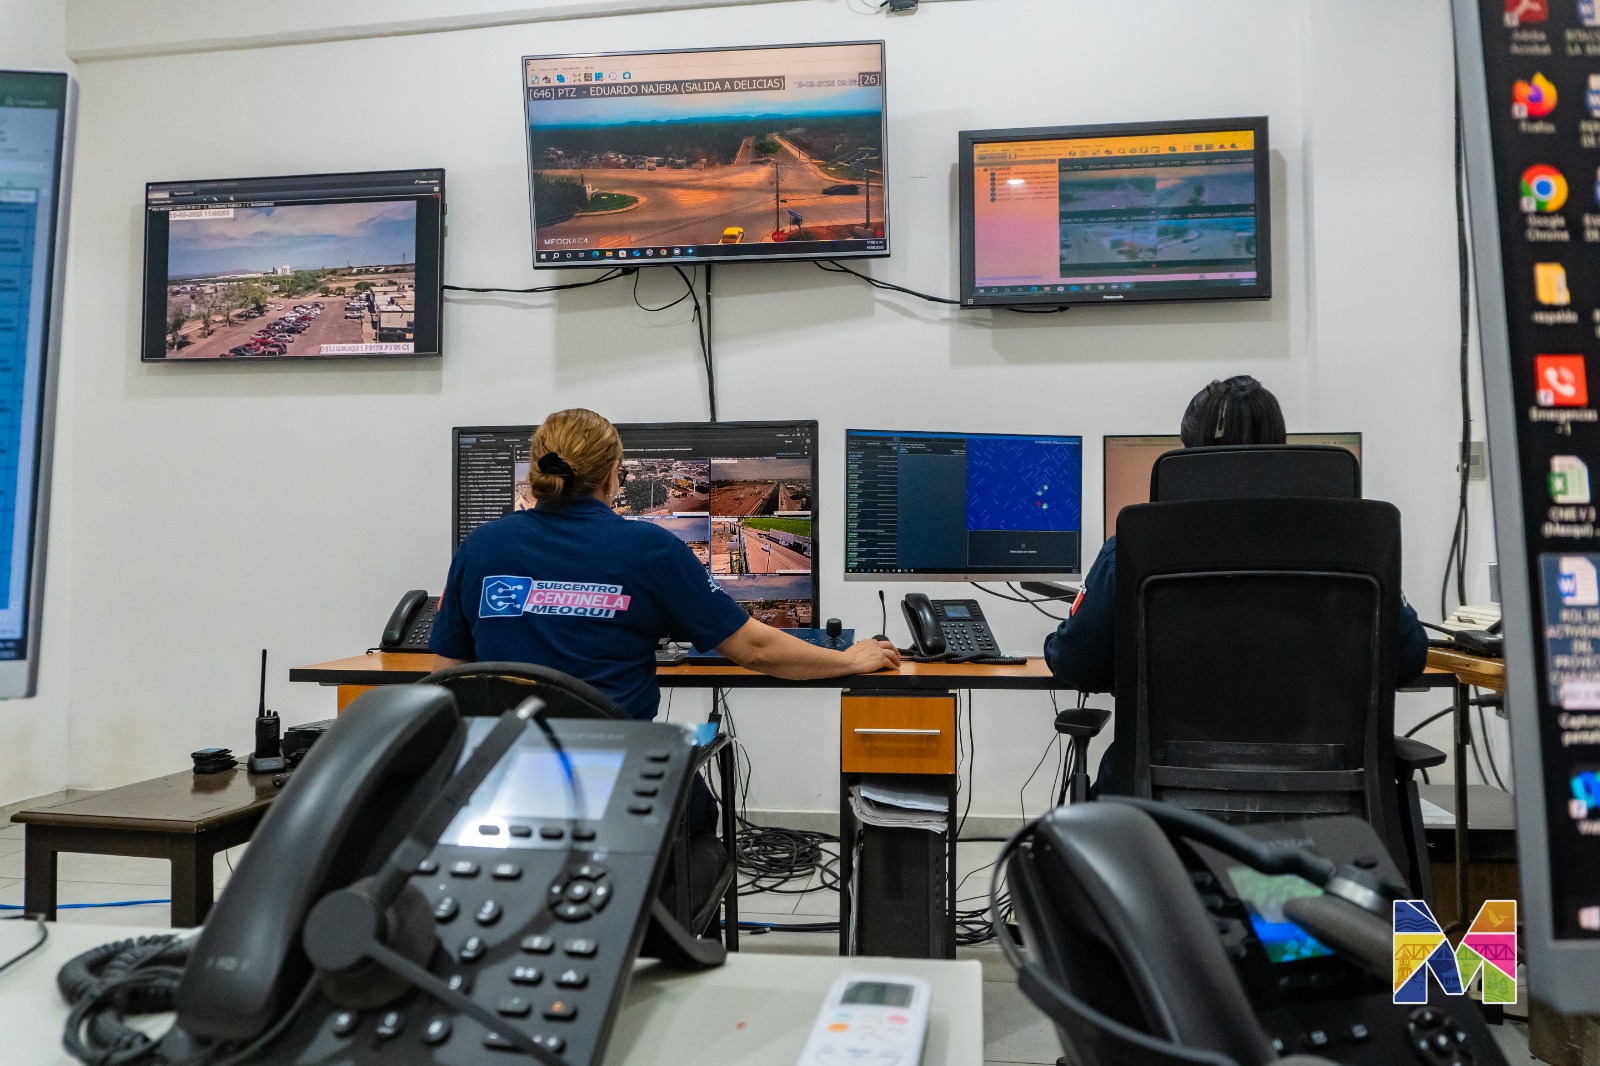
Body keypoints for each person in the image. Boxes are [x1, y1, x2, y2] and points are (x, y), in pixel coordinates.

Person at [1044, 376, 1428, 786]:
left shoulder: (1133, 549)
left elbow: (1076, 662)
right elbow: (1409, 659)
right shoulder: (1357, 548)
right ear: (1281, 448)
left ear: (1189, 455)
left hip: (1157, 805)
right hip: (1329, 801)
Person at [430, 408, 900, 716]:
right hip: (616, 776)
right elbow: (755, 648)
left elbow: (450, 674)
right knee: (698, 809)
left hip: (502, 776)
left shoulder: (481, 545)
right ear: (613, 475)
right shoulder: (649, 548)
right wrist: (846, 659)